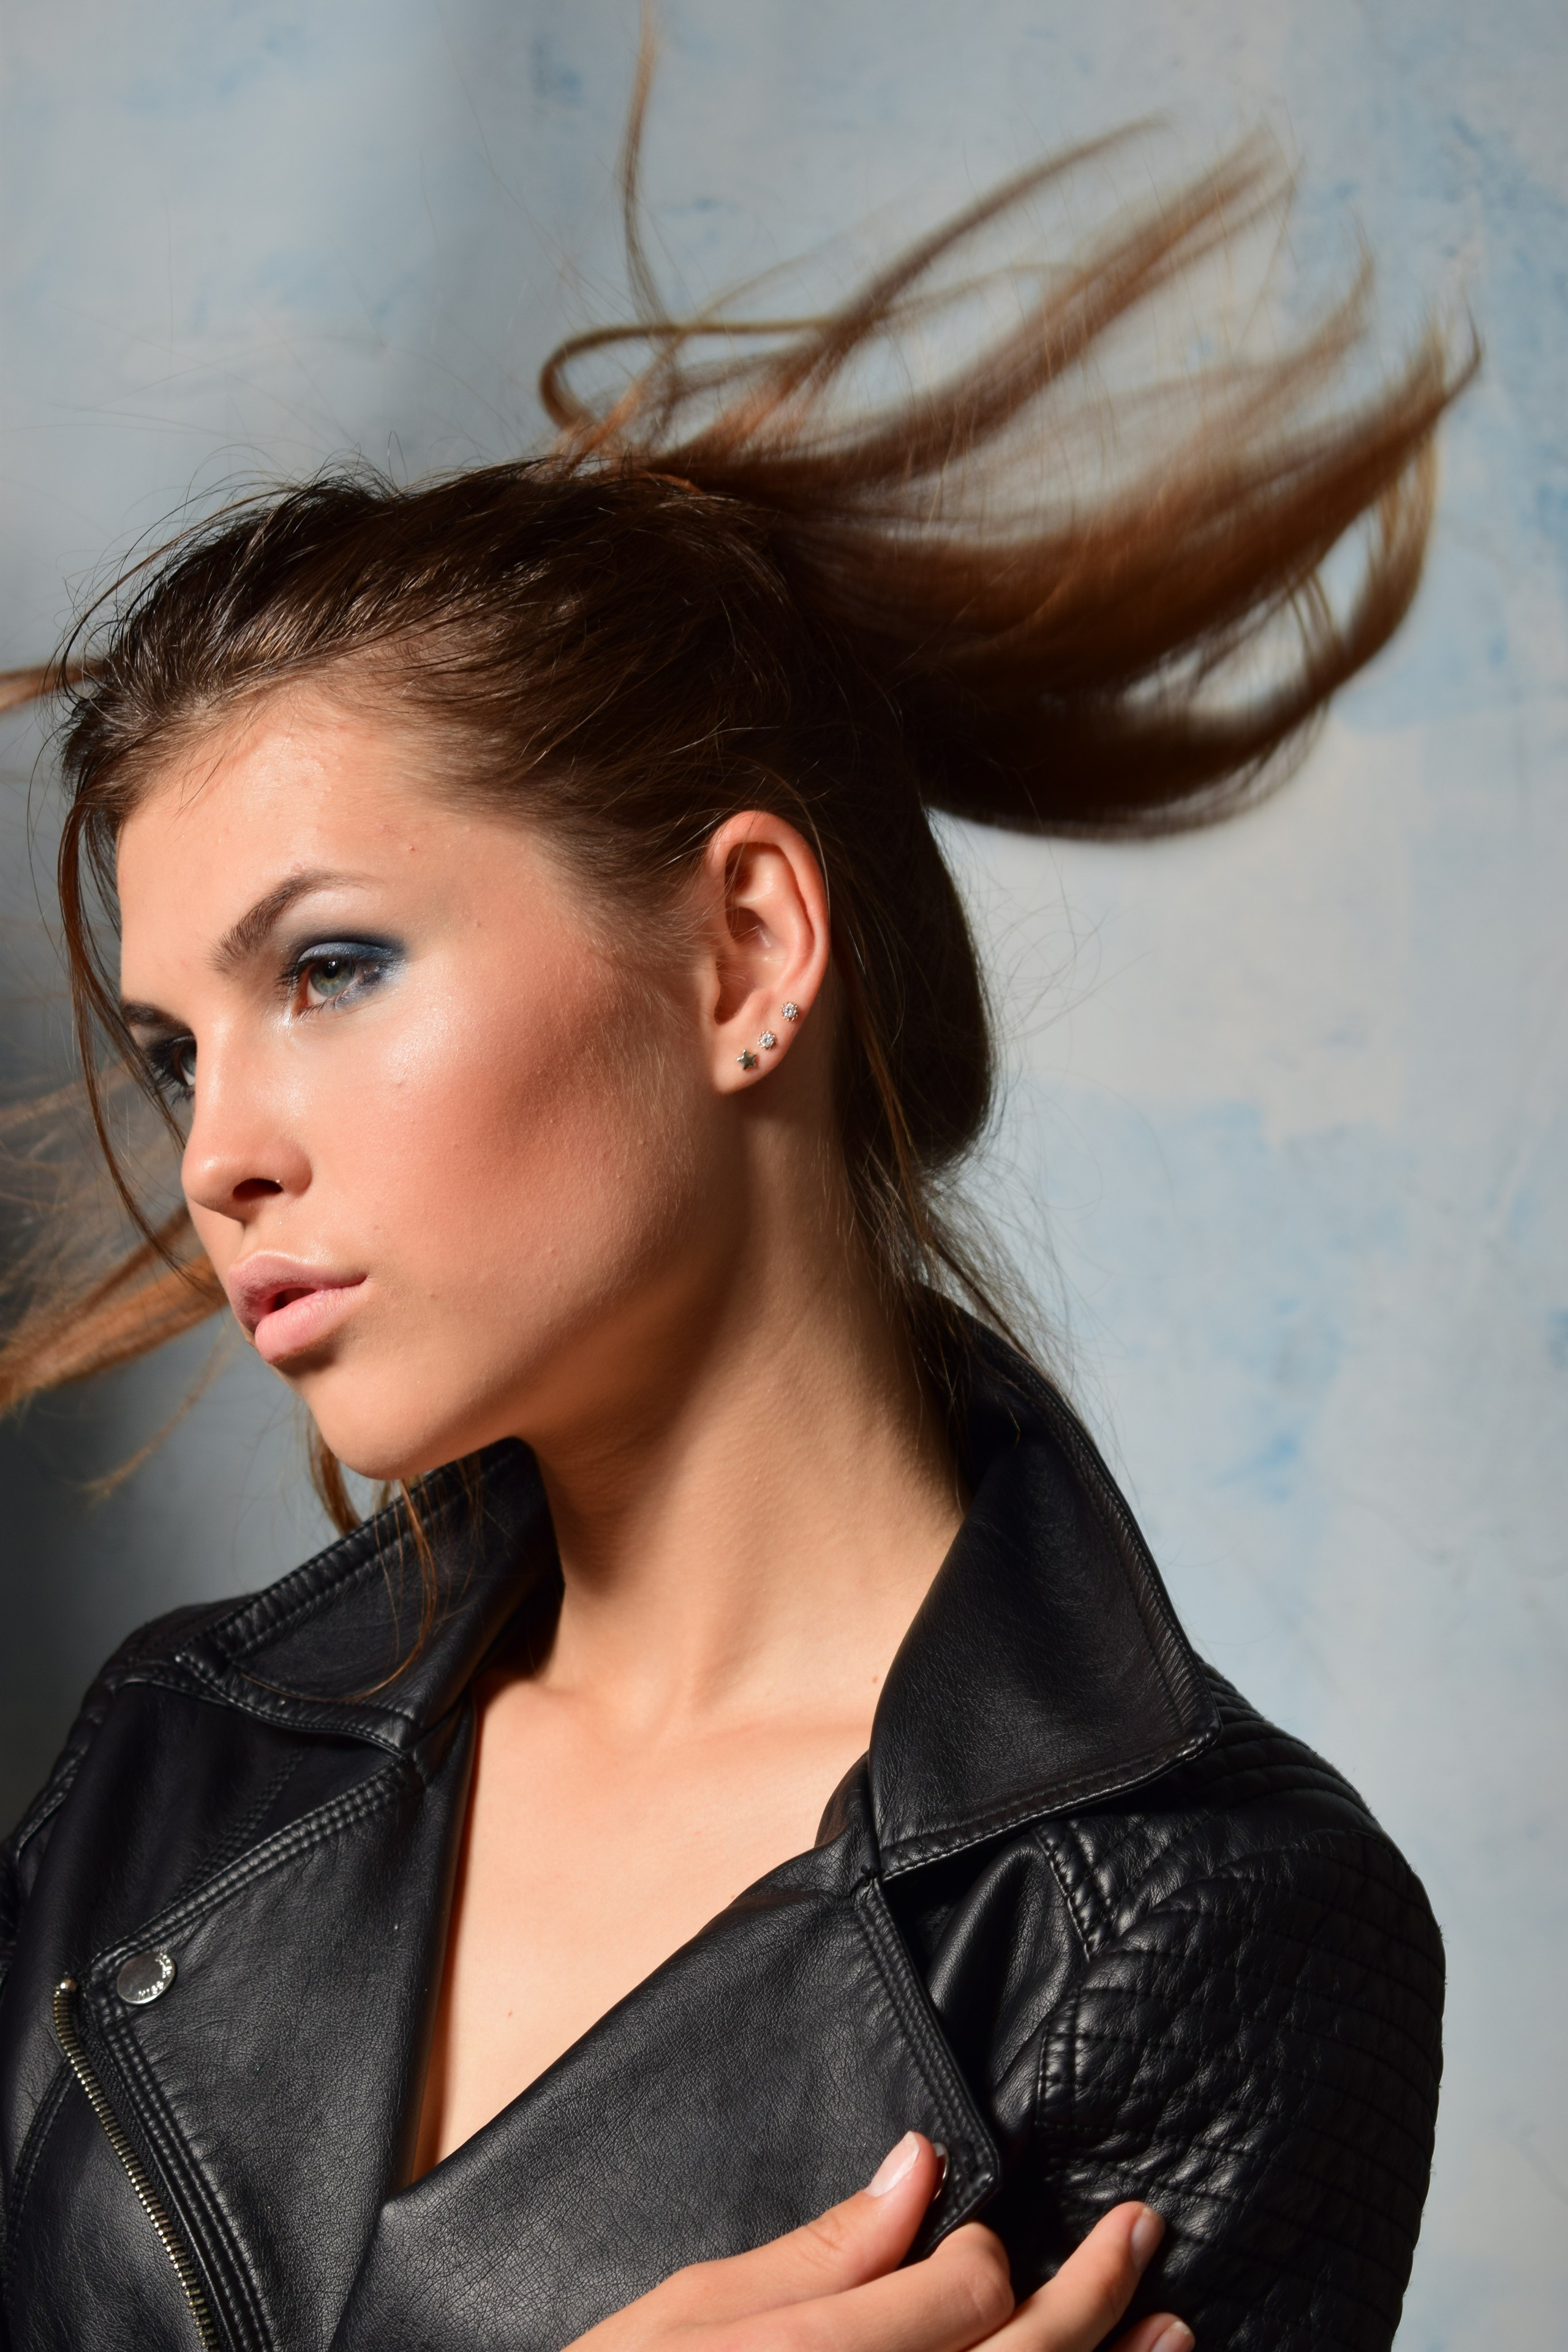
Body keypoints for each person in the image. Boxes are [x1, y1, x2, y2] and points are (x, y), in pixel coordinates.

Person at [0, 101, 1469, 2352]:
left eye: (330, 969)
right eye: (180, 1048)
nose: (220, 1154)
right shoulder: (173, 1756)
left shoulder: (1182, 1929)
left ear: (746, 953)